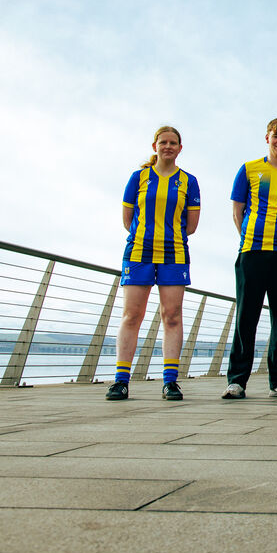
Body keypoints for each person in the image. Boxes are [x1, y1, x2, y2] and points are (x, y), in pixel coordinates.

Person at [107, 125, 200, 401]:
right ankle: (120, 381)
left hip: (174, 254)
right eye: (163, 142)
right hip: (139, 253)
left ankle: (170, 381)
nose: (168, 146)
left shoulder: (188, 181)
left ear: (180, 148)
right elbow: (127, 219)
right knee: (132, 315)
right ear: (154, 146)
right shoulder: (139, 178)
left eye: (173, 143)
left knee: (172, 316)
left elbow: (191, 226)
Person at [222, 118, 277, 400]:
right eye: (276, 136)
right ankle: (237, 382)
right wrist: (250, 238)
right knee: (245, 317)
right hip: (251, 252)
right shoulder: (249, 169)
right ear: (267, 138)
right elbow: (238, 212)